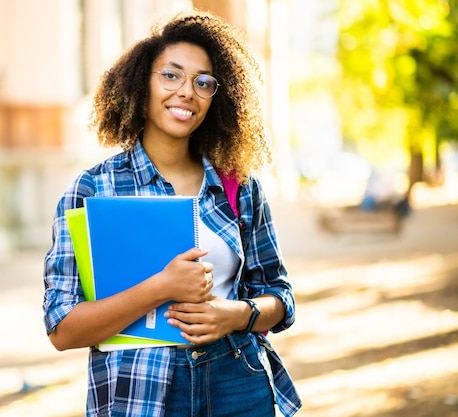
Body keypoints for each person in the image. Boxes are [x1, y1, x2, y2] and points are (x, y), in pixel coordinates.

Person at [43, 10, 301, 417]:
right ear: (141, 83)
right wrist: (162, 286)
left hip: (236, 378)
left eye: (203, 82)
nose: (186, 91)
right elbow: (62, 328)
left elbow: (281, 298)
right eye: (171, 75)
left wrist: (234, 315)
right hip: (140, 390)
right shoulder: (93, 190)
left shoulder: (239, 187)